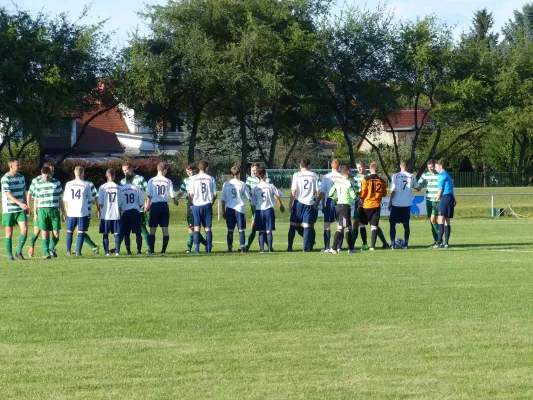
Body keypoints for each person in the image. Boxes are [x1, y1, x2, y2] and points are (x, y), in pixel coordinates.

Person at [352, 160, 389, 251]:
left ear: (365, 167)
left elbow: (364, 192)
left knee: (373, 224)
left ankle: (384, 242)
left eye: (360, 167)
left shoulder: (368, 177)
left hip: (367, 203)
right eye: (357, 168)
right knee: (357, 223)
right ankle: (354, 244)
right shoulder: (354, 178)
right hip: (360, 203)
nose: (359, 169)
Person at [145, 162, 178, 255]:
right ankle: (163, 251)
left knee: (152, 229)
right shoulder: (168, 181)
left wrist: (147, 204)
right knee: (165, 229)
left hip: (155, 206)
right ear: (164, 170)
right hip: (164, 206)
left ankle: (152, 251)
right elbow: (172, 195)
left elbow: (149, 194)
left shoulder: (151, 180)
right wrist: (176, 201)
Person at [287, 158, 319, 252]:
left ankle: (289, 248)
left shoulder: (296, 175)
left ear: (300, 165)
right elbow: (318, 192)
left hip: (299, 202)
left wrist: (290, 204)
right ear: (308, 166)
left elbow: (293, 191)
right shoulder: (314, 175)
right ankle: (305, 248)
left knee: (293, 225)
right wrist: (316, 203)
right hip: (309, 203)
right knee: (307, 226)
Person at [250, 167, 285, 253]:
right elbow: (279, 194)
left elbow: (253, 203)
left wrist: (255, 213)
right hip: (269, 210)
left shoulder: (255, 188)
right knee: (269, 230)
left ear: (257, 176)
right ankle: (270, 249)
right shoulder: (271, 186)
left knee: (261, 231)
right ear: (265, 175)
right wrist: (281, 192)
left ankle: (262, 249)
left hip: (259, 210)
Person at [33, 166, 65, 259]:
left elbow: (60, 198)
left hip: (54, 210)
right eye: (44, 176)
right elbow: (36, 200)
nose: (45, 178)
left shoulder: (57, 183)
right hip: (42, 210)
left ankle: (50, 249)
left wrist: (63, 212)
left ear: (51, 173)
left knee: (56, 234)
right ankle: (46, 253)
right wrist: (35, 213)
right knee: (44, 232)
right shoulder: (38, 184)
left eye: (47, 176)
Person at [1, 159, 29, 260]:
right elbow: (8, 194)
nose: (19, 166)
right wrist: (20, 203)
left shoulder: (21, 177)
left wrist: (25, 204)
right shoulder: (5, 178)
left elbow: (23, 192)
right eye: (17, 165)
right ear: (11, 166)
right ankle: (10, 255)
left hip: (20, 208)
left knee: (25, 229)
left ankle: (19, 252)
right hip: (9, 209)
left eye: (19, 164)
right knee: (9, 233)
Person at [328, 165, 359, 254]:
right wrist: (357, 196)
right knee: (341, 227)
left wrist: (336, 198)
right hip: (345, 207)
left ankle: (351, 249)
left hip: (338, 206)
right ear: (348, 172)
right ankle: (333, 248)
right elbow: (353, 196)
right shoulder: (348, 182)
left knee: (349, 228)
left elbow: (330, 193)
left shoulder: (337, 182)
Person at [177, 164, 207, 253]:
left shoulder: (198, 179)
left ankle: (189, 248)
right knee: (191, 227)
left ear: (195, 170)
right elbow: (181, 192)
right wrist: (176, 198)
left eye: (190, 170)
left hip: (197, 205)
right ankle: (205, 244)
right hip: (189, 206)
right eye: (187, 171)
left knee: (193, 228)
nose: (188, 172)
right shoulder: (186, 181)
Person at [388, 161, 419, 249]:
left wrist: (390, 201)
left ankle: (393, 243)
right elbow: (417, 188)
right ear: (407, 166)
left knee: (392, 224)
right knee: (406, 225)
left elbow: (393, 190)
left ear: (400, 166)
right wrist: (423, 183)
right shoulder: (411, 176)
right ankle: (405, 243)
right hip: (406, 204)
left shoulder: (395, 176)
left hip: (396, 204)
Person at [26, 161, 54, 257]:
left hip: (49, 209)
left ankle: (46, 252)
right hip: (38, 208)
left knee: (47, 231)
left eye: (53, 170)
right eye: (51, 170)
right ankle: (31, 245)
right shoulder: (36, 180)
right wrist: (28, 207)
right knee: (37, 230)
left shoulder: (52, 180)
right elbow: (29, 193)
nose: (52, 172)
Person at [120, 163, 150, 252]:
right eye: (123, 171)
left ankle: (149, 248)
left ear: (132, 169)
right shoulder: (122, 181)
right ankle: (118, 248)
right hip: (128, 209)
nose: (125, 172)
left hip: (139, 209)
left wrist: (147, 203)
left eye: (126, 170)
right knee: (125, 230)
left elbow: (148, 190)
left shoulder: (140, 178)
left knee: (142, 229)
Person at [63, 166, 93, 256]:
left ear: (74, 173)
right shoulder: (86, 184)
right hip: (82, 211)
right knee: (81, 231)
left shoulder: (68, 184)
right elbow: (90, 199)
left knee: (69, 231)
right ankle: (78, 252)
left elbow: (65, 200)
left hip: (71, 211)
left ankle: (68, 251)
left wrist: (66, 211)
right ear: (83, 173)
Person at [221, 164, 250, 253]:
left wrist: (223, 211)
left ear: (231, 173)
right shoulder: (242, 184)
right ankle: (242, 248)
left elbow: (223, 199)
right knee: (241, 229)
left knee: (230, 230)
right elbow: (248, 197)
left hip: (229, 208)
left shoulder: (226, 184)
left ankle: (230, 249)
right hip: (239, 208)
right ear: (239, 173)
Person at [190, 160, 216, 254]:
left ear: (199, 168)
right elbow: (215, 194)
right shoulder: (211, 178)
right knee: (208, 228)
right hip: (207, 205)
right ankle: (208, 250)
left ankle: (196, 250)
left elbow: (191, 194)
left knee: (196, 228)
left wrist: (192, 203)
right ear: (206, 168)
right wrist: (211, 202)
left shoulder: (193, 178)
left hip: (196, 205)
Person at [245, 163, 272, 251]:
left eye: (255, 170)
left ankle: (247, 246)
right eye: (252, 170)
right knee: (258, 227)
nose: (253, 172)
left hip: (261, 207)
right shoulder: (249, 179)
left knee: (255, 226)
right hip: (253, 206)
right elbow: (246, 190)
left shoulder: (264, 180)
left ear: (258, 170)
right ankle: (268, 247)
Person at [320, 159, 342, 252]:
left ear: (331, 166)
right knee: (340, 224)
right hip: (340, 201)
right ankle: (338, 246)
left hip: (330, 200)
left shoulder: (326, 176)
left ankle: (327, 247)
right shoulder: (341, 176)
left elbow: (323, 192)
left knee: (327, 225)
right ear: (339, 166)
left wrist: (323, 204)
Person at [98, 169, 121, 256]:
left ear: (106, 176)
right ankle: (117, 252)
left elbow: (100, 203)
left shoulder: (102, 187)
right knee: (116, 233)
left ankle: (107, 252)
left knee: (105, 234)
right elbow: (120, 203)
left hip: (106, 214)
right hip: (116, 214)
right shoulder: (119, 187)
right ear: (114, 175)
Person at [433, 159, 456, 248]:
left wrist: (436, 201)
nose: (435, 168)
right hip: (450, 197)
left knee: (440, 219)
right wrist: (453, 198)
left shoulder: (441, 175)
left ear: (440, 166)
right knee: (447, 220)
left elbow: (441, 190)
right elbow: (450, 188)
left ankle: (438, 242)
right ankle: (446, 243)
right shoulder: (448, 175)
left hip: (445, 198)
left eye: (436, 166)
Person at [418, 159, 440, 245]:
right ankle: (436, 240)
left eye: (432, 167)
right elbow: (418, 186)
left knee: (433, 219)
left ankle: (439, 240)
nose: (430, 169)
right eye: (429, 167)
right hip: (428, 201)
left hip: (436, 201)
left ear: (435, 166)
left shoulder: (439, 176)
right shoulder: (425, 176)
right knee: (431, 221)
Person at [82, 178, 100, 254]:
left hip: (87, 211)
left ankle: (94, 246)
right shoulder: (73, 183)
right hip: (76, 211)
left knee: (80, 231)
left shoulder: (89, 184)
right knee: (79, 231)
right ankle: (77, 249)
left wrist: (98, 209)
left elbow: (96, 196)